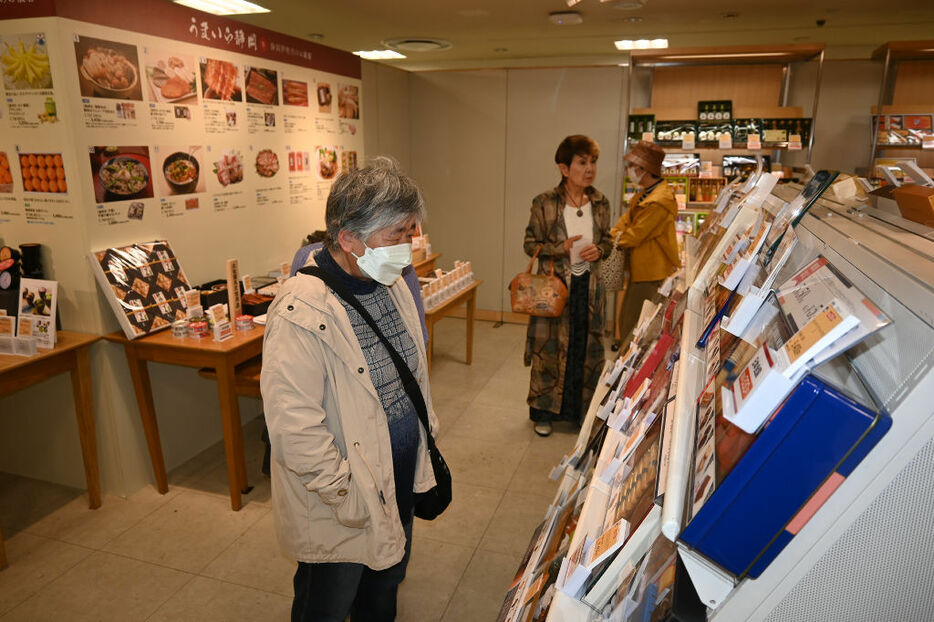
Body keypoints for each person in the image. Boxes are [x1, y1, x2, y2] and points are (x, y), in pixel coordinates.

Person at [261, 157, 439, 621]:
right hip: (343, 501)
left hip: (396, 478)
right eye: (396, 235)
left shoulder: (391, 281)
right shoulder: (300, 310)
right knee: (329, 602)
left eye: (410, 232)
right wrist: (347, 496)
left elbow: (414, 376)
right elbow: (294, 429)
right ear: (348, 239)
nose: (407, 246)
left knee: (383, 593)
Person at [523, 135, 613, 437]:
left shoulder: (601, 203)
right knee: (550, 349)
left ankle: (580, 412)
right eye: (582, 162)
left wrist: (600, 249)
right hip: (553, 287)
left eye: (593, 162)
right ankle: (544, 413)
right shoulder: (544, 202)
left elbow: (609, 241)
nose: (590, 169)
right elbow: (530, 244)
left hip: (589, 288)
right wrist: (560, 247)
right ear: (564, 168)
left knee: (584, 348)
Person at [611, 140, 680, 349]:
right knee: (628, 322)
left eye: (633, 167)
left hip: (651, 273)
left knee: (634, 325)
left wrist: (611, 239)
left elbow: (634, 235)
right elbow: (623, 224)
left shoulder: (659, 201)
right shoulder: (644, 194)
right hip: (639, 271)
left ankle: (625, 372)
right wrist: (614, 235)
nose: (629, 171)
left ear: (644, 169)